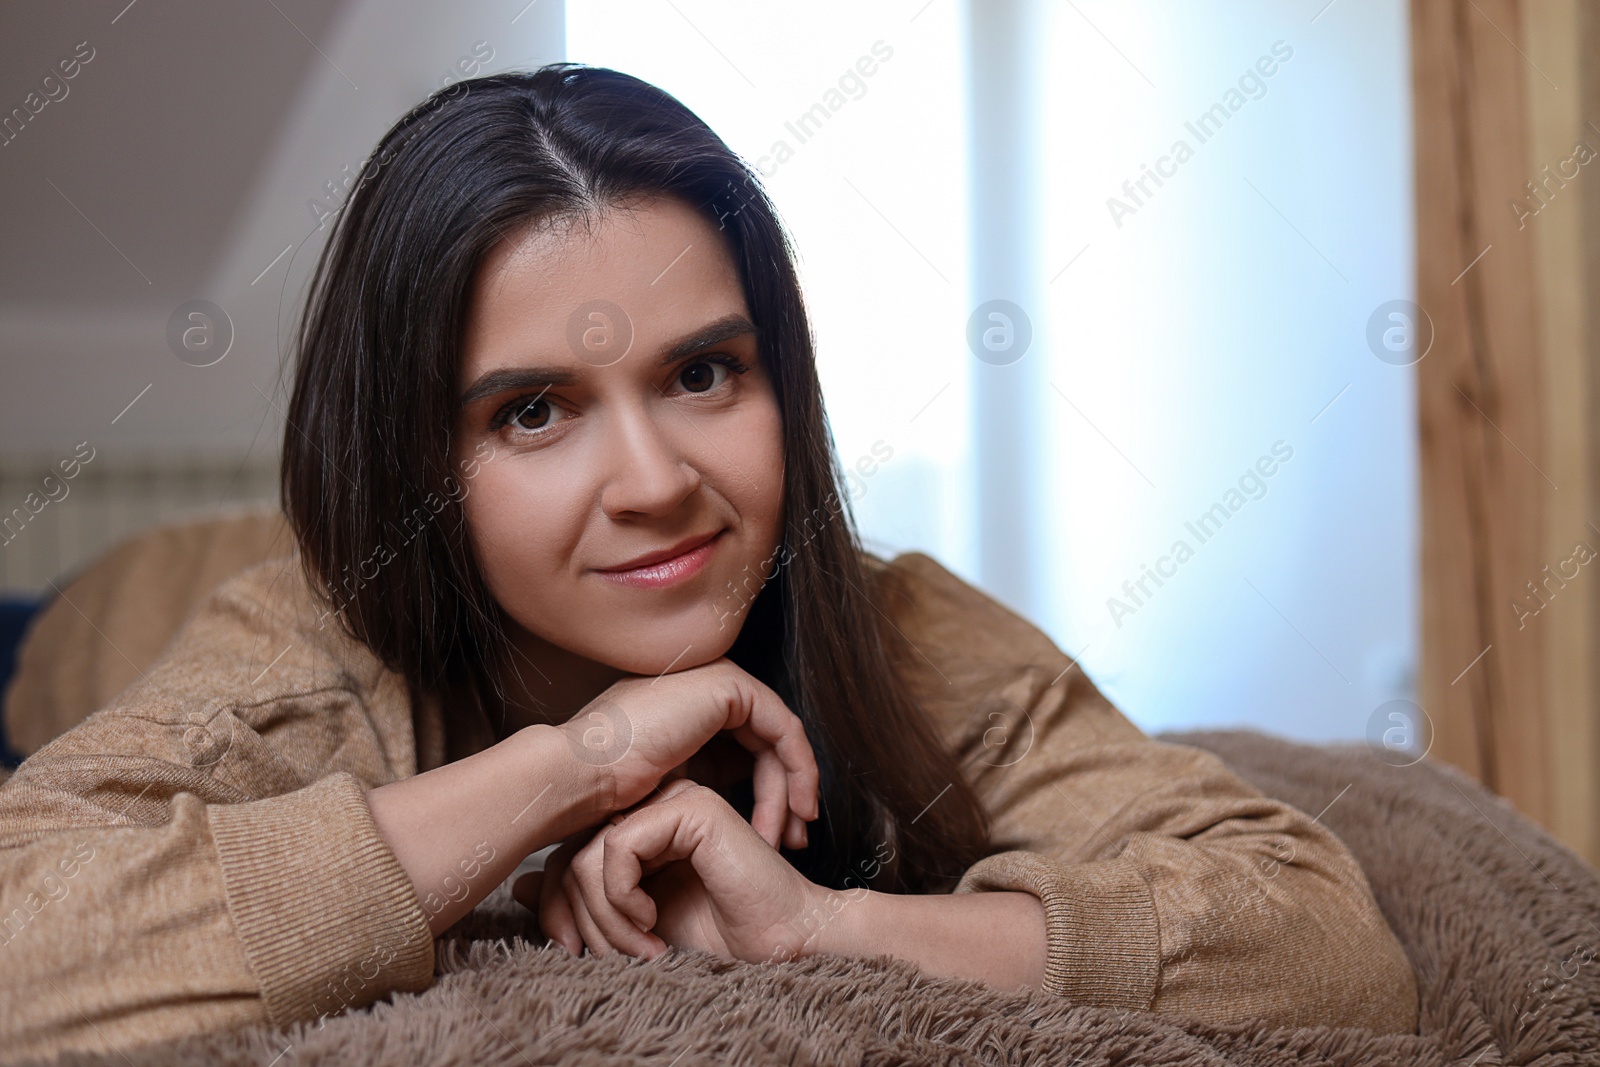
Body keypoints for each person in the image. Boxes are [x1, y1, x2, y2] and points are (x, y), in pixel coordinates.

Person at [0, 64, 1418, 1061]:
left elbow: (1329, 948)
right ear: (414, 464)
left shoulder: (900, 622)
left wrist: (833, 928)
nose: (659, 483)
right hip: (88, 615)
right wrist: (578, 766)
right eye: (533, 410)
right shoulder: (304, 657)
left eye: (703, 374)